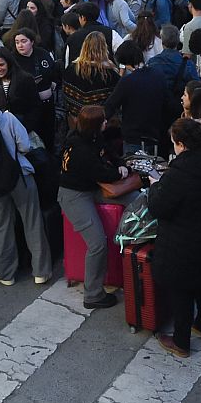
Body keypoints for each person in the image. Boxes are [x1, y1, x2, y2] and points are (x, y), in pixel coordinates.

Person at [146, 117, 201, 359]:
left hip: (183, 240)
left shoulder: (179, 174)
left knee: (181, 290)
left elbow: (159, 207)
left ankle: (181, 342)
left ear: (180, 144)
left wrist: (154, 186)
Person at [0, 81, 53, 286]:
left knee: (1, 226)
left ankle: (4, 272)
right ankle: (40, 271)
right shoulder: (8, 118)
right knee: (32, 222)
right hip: (19, 176)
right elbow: (24, 146)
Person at [57, 105, 124, 310]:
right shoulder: (81, 150)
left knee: (132, 199)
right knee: (97, 244)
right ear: (95, 126)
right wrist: (122, 172)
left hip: (88, 189)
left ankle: (125, 233)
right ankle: (93, 294)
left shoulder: (87, 138)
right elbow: (102, 173)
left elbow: (108, 154)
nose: (106, 123)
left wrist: (119, 163)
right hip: (74, 196)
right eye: (103, 121)